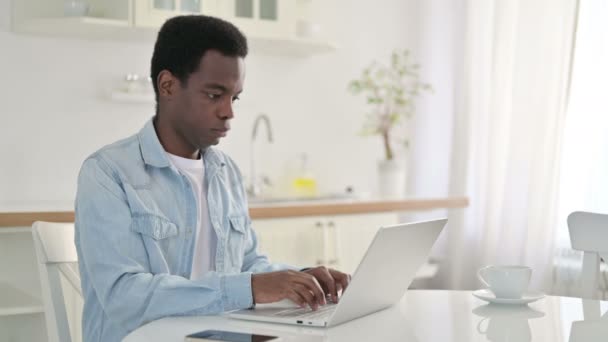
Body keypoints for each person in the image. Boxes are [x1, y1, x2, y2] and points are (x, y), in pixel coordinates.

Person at [74, 15, 350, 342]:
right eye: (214, 94)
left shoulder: (225, 172)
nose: (229, 112)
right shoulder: (108, 172)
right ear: (168, 86)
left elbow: (248, 262)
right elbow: (124, 296)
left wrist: (301, 279)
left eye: (234, 97)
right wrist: (249, 288)